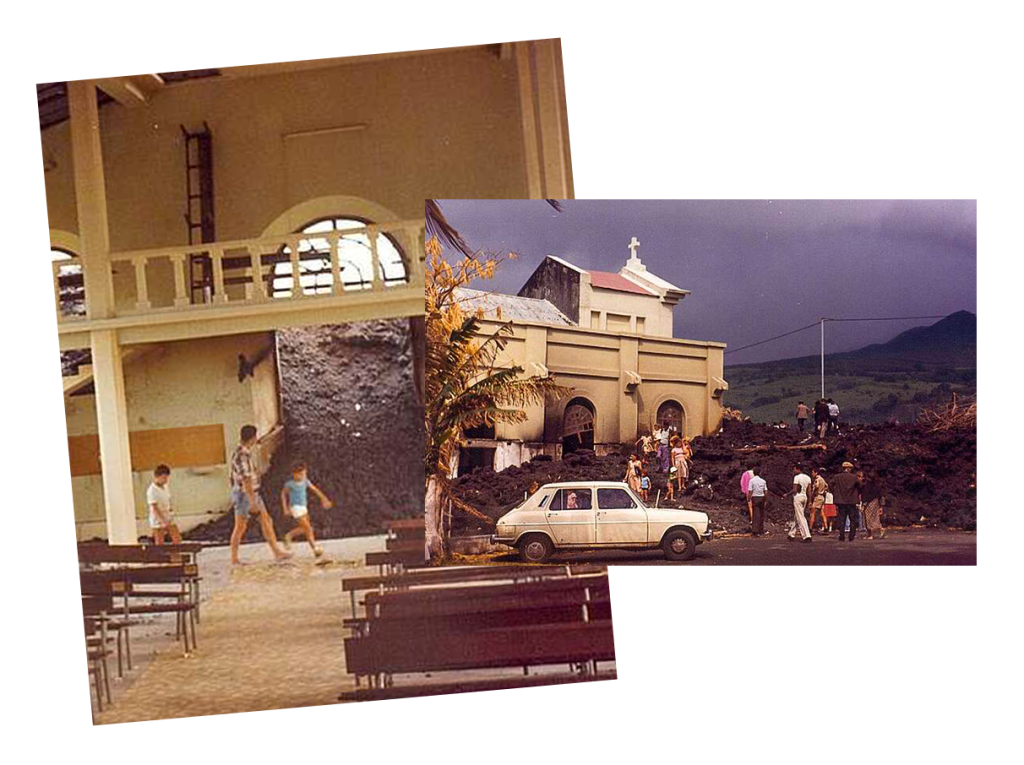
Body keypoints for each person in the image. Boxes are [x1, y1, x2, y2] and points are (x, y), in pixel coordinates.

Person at [229, 425, 292, 565]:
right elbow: (246, 479)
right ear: (252, 438)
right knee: (240, 526)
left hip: (252, 493)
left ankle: (277, 552)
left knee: (266, 520)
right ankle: (234, 558)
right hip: (245, 494)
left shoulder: (244, 452)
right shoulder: (242, 455)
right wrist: (252, 501)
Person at [280, 463, 334, 557]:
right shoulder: (290, 484)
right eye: (300, 474)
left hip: (304, 507)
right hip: (295, 508)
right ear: (294, 474)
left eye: (304, 474)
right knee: (308, 528)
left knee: (306, 529)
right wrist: (285, 508)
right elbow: (283, 495)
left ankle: (289, 536)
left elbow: (315, 490)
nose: (302, 476)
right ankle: (315, 548)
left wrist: (324, 499)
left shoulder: (305, 482)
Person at [147, 464, 182, 545]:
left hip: (168, 516)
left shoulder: (165, 486)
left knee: (177, 539)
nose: (166, 480)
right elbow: (155, 508)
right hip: (158, 520)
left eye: (167, 478)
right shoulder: (152, 491)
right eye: (164, 478)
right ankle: (160, 557)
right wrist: (163, 521)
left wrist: (171, 510)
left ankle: (176, 556)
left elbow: (168, 499)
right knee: (160, 543)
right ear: (157, 477)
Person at [830, 461, 862, 542]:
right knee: (852, 519)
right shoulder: (854, 477)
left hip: (841, 501)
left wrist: (834, 492)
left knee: (842, 519)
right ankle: (851, 536)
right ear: (849, 468)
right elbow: (860, 485)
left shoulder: (837, 477)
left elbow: (830, 484)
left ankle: (841, 536)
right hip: (851, 501)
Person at [787, 464, 813, 542]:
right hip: (804, 497)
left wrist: (787, 494)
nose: (793, 471)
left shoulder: (796, 477)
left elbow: (795, 490)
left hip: (798, 497)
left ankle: (807, 536)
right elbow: (809, 491)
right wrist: (810, 500)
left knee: (800, 517)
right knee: (797, 515)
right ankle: (791, 534)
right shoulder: (808, 477)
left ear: (798, 469)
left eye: (794, 469)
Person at [860, 471, 887, 539]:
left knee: (868, 518)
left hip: (869, 503)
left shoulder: (867, 486)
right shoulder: (877, 486)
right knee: (875, 517)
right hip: (876, 502)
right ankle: (879, 529)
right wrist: (881, 506)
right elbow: (880, 495)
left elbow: (865, 495)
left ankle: (870, 535)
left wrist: (863, 504)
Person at [807, 467, 830, 534]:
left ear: (816, 473)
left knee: (812, 512)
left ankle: (810, 528)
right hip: (822, 497)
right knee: (822, 513)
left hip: (818, 497)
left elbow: (816, 486)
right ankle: (826, 527)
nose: (812, 474)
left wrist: (813, 493)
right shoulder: (823, 479)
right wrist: (823, 491)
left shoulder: (817, 479)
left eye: (813, 472)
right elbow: (827, 486)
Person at [748, 468, 769, 536]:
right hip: (762, 497)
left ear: (753, 473)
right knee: (761, 514)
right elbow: (766, 491)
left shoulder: (751, 481)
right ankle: (761, 530)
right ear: (760, 473)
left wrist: (749, 499)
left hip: (755, 497)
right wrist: (765, 499)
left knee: (755, 514)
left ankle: (755, 531)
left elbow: (750, 491)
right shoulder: (763, 481)